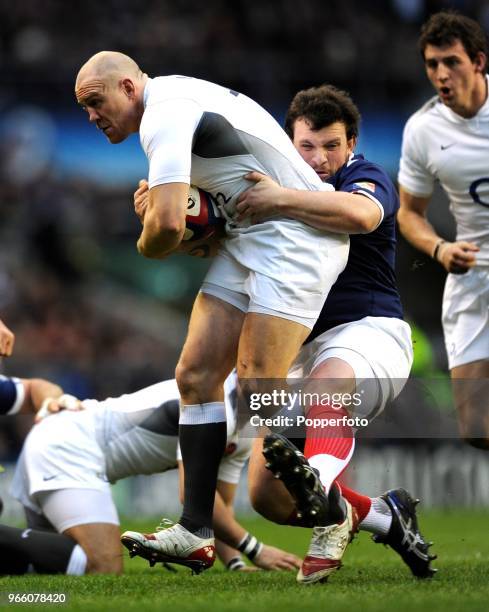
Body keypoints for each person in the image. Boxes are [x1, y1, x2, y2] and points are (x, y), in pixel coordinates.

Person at [74, 51, 349, 571]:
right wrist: (182, 222)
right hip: (250, 235)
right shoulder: (171, 105)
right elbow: (204, 224)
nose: (92, 115)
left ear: (130, 88)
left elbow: (167, 229)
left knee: (258, 386)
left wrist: (151, 232)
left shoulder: (163, 115)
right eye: (84, 108)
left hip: (298, 239)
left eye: (96, 101)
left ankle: (353, 512)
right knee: (195, 375)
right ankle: (195, 530)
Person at [236, 84, 434, 583]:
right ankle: (386, 518)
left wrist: (279, 199)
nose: (320, 158)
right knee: (268, 497)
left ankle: (325, 507)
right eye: (307, 146)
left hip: (371, 335)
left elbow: (362, 214)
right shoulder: (270, 183)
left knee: (329, 385)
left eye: (331, 145)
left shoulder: (364, 176)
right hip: (301, 351)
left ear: (351, 144)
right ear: (290, 142)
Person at [1, 374, 300, 575]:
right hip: (67, 445)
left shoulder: (244, 428)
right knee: (102, 566)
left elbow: (218, 502)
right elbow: (194, 493)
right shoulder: (212, 404)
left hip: (67, 447)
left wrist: (235, 562)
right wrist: (257, 550)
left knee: (50, 569)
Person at [397, 11, 489, 449]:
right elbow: (408, 213)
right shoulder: (422, 130)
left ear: (478, 62)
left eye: (451, 62)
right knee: (475, 429)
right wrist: (438, 249)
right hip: (470, 274)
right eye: (432, 65)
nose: (441, 74)